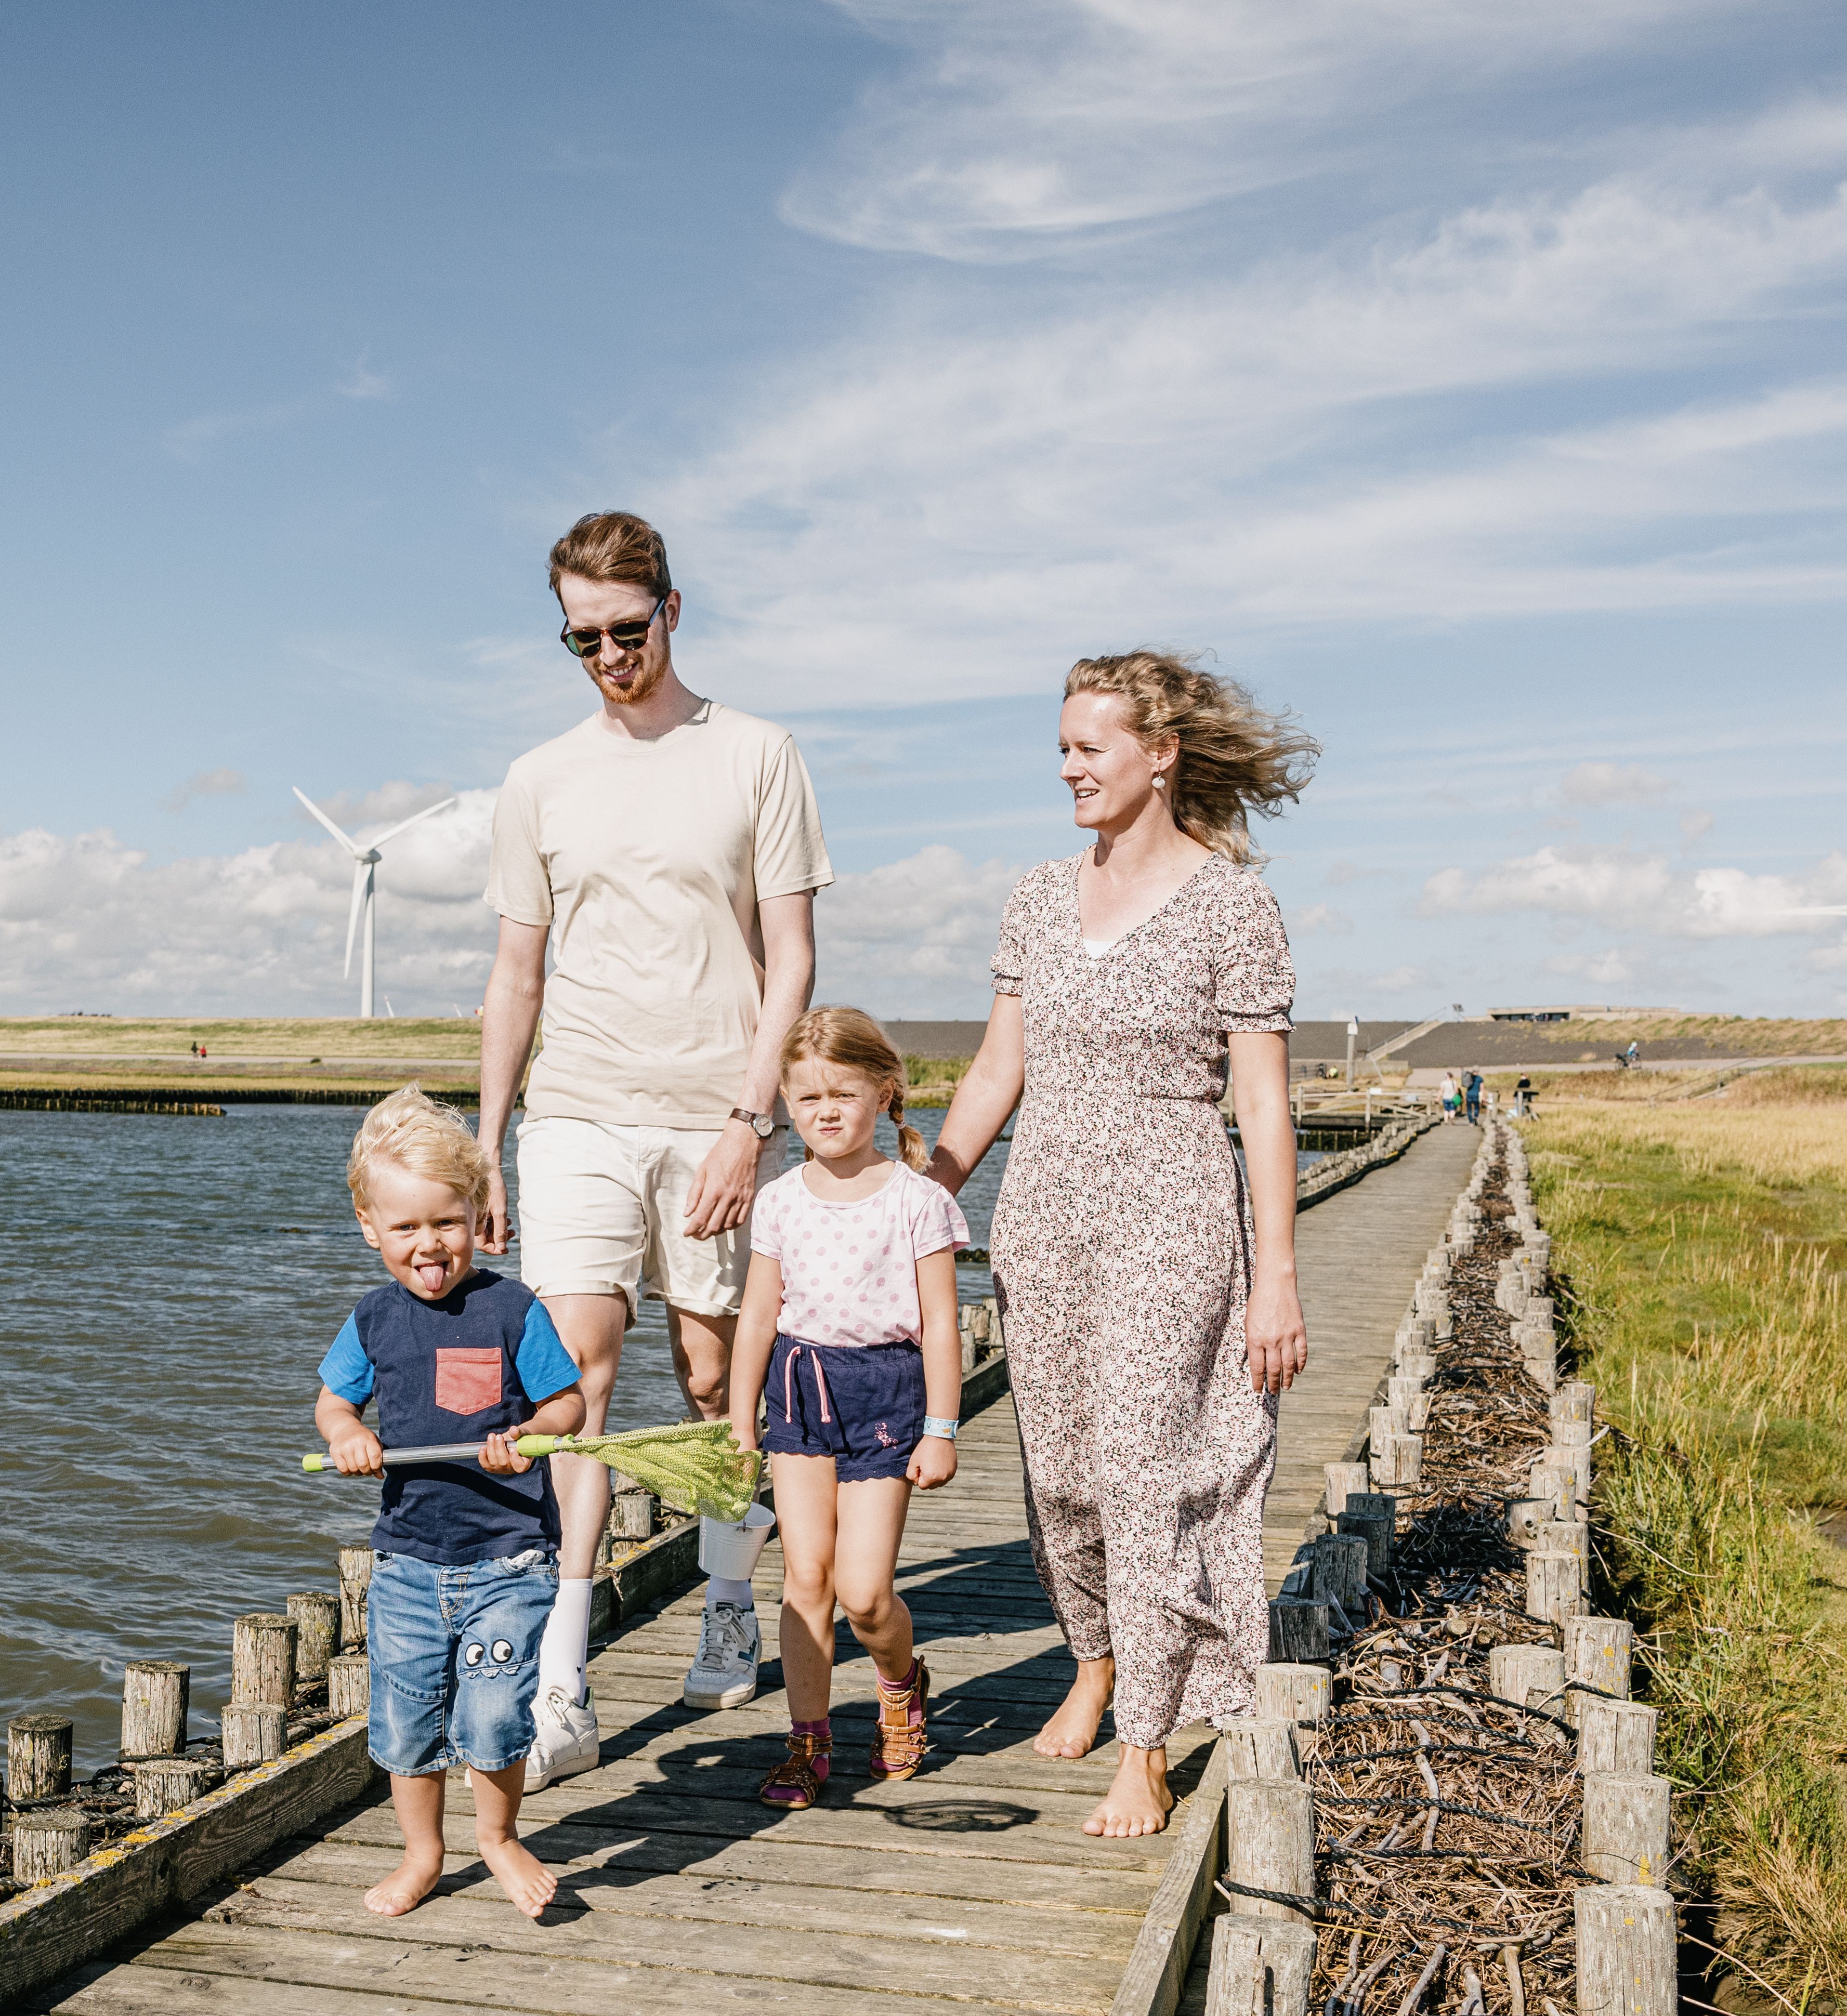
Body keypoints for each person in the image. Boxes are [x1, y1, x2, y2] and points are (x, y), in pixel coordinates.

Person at [926, 651, 1312, 1841]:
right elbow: (999, 1068)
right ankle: (1090, 1657)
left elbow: (1259, 1103)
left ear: (1160, 753)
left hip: (1171, 1207)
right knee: (1061, 1471)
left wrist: (1276, 1277)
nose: (1069, 768)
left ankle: (1145, 1738)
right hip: (1041, 1214)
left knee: (1149, 1470)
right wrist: (924, 1199)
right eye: (1061, 749)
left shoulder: (1230, 903)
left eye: (1089, 747)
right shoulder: (1037, 895)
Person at [479, 510, 830, 1782]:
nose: (610, 658)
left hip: (712, 1109)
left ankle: (728, 1593)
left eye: (628, 631)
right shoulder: (538, 778)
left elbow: (788, 953)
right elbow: (515, 971)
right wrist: (484, 1138)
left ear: (673, 610)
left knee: (703, 1379)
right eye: (582, 641)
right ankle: (562, 1676)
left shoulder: (754, 753)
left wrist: (751, 1119)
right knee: (572, 1379)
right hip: (573, 1105)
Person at [313, 1088, 586, 1919]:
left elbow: (569, 1405)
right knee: (405, 1714)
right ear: (370, 1227)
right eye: (406, 1228)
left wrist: (533, 1434)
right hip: (407, 1560)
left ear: (476, 1213)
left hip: (510, 1557)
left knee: (498, 1708)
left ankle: (497, 1837)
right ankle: (422, 1853)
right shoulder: (373, 1319)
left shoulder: (511, 1308)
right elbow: (332, 1401)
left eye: (447, 1222)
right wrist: (346, 1435)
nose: (430, 1245)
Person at [727, 1009, 968, 1806]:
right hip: (798, 1391)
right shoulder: (780, 1200)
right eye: (806, 1098)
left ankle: (900, 1685)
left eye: (843, 1093)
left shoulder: (917, 1200)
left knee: (865, 1592)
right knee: (806, 1579)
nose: (825, 1112)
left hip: (886, 1397)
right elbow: (759, 1316)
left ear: (884, 1093)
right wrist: (739, 1419)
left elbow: (940, 1323)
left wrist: (940, 1428)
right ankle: (808, 1740)